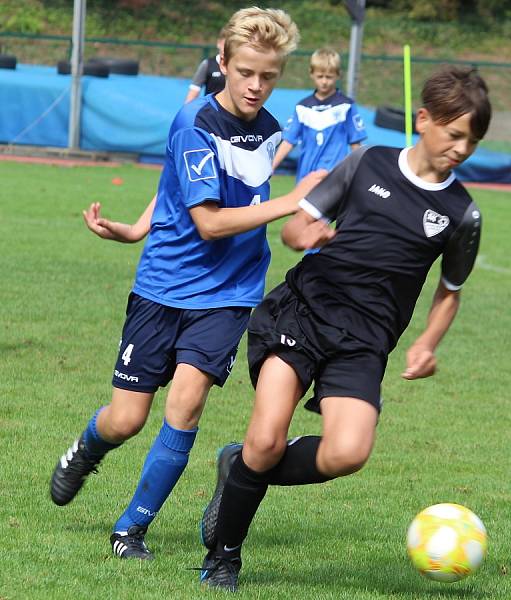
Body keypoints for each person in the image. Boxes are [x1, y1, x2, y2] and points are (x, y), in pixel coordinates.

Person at [195, 65, 491, 592]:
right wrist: (307, 234)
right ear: (424, 120)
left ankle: (237, 469)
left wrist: (426, 343)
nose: (462, 148)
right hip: (304, 312)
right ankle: (224, 557)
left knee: (347, 453)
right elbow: (292, 227)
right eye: (454, 134)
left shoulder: (461, 213)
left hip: (364, 342)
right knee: (266, 438)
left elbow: (450, 292)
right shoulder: (367, 163)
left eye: (472, 140)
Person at [49, 7, 323, 561]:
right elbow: (209, 220)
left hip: (228, 295)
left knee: (186, 407)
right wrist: (291, 203)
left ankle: (129, 529)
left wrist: (137, 225)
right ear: (222, 62)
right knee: (126, 418)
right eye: (245, 72)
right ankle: (86, 447)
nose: (255, 86)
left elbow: (195, 187)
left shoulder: (270, 129)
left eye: (268, 76)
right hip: (163, 287)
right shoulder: (195, 122)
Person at [271, 47, 367, 180]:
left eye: (329, 77)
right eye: (320, 76)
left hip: (335, 176)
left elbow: (355, 143)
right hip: (306, 177)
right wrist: (272, 167)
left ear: (338, 75)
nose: (324, 81)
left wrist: (365, 171)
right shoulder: (303, 107)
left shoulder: (346, 106)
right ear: (311, 73)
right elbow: (288, 141)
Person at [184, 28, 227, 104]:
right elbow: (192, 95)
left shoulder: (238, 67)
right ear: (219, 43)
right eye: (225, 44)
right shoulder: (207, 64)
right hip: (211, 112)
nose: (227, 48)